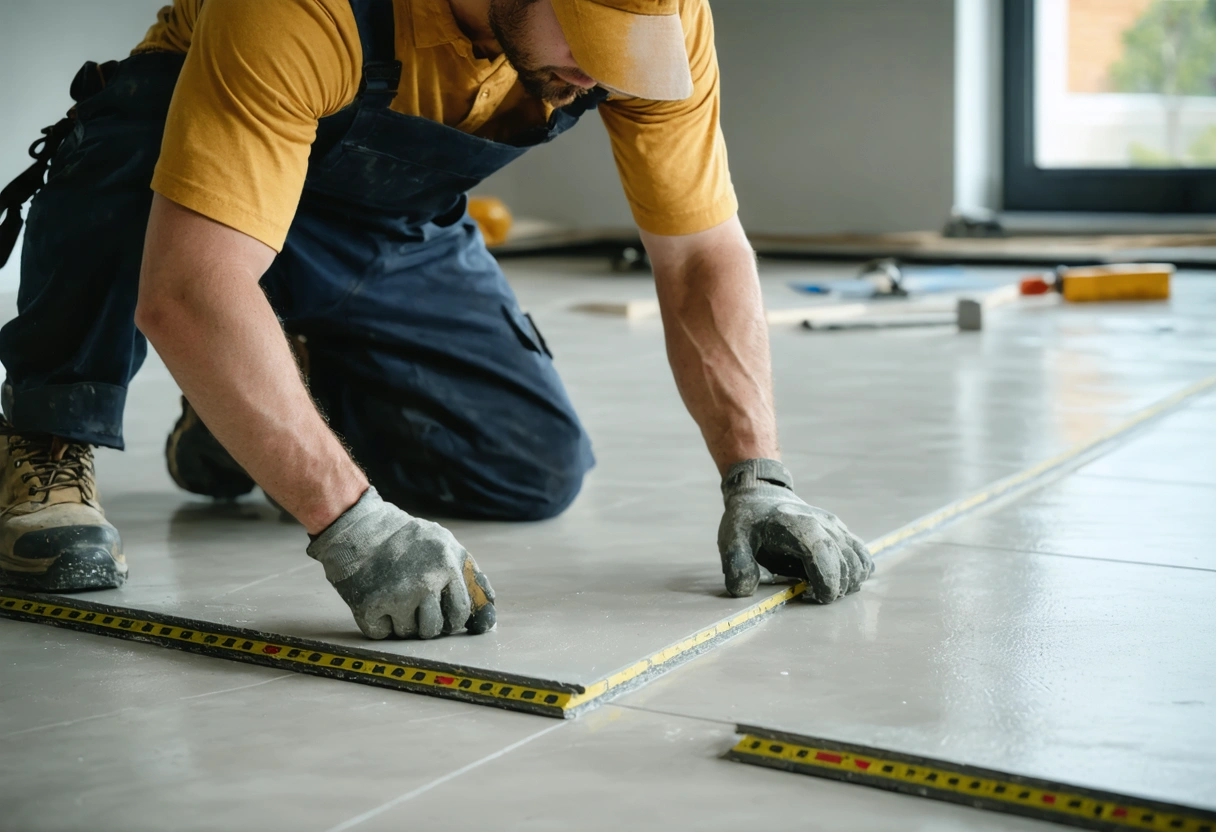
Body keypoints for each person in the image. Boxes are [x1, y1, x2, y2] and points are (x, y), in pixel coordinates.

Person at [0, 0, 873, 640]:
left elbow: (701, 254)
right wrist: (351, 524)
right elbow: (190, 288)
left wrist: (758, 477)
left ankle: (258, 385)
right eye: (589, 38)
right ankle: (46, 438)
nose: (600, 75)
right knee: (130, 139)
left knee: (529, 469)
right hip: (186, 188)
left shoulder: (660, 23)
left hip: (382, 222)